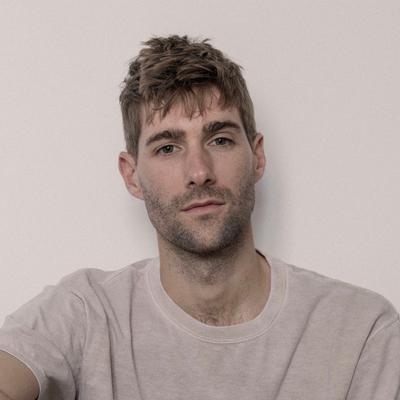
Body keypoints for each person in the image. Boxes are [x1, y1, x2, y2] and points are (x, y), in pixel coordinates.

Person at [0, 35, 399, 400]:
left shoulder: (361, 331)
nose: (199, 171)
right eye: (167, 148)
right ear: (131, 175)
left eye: (220, 139)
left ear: (257, 157)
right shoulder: (85, 314)